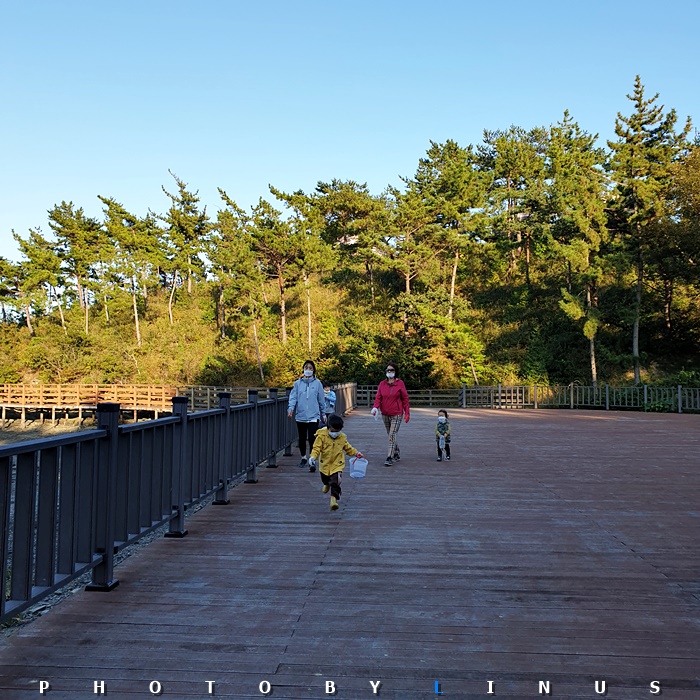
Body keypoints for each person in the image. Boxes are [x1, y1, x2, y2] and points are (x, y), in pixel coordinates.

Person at [308, 414, 364, 511]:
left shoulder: (342, 437)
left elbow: (348, 448)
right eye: (333, 431)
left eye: (338, 431)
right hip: (325, 463)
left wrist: (356, 453)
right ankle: (326, 484)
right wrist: (313, 457)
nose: (335, 433)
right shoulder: (321, 436)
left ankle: (333, 499)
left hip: (337, 463)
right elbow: (316, 448)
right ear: (328, 427)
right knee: (325, 478)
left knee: (336, 481)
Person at [287, 360, 326, 472]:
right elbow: (293, 397)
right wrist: (290, 409)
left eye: (310, 368)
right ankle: (303, 457)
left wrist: (323, 413)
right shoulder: (297, 383)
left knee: (312, 438)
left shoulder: (318, 383)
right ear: (303, 369)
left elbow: (321, 399)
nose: (308, 370)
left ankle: (312, 459)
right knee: (302, 438)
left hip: (314, 415)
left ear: (313, 370)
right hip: (301, 415)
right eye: (306, 368)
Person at [370, 362, 410, 467]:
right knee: (390, 434)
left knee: (392, 434)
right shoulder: (382, 384)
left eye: (391, 370)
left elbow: (405, 398)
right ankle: (396, 452)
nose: (389, 372)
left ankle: (389, 457)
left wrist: (407, 412)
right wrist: (375, 407)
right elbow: (378, 397)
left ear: (395, 371)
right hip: (385, 413)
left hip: (397, 413)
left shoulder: (400, 383)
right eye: (388, 370)